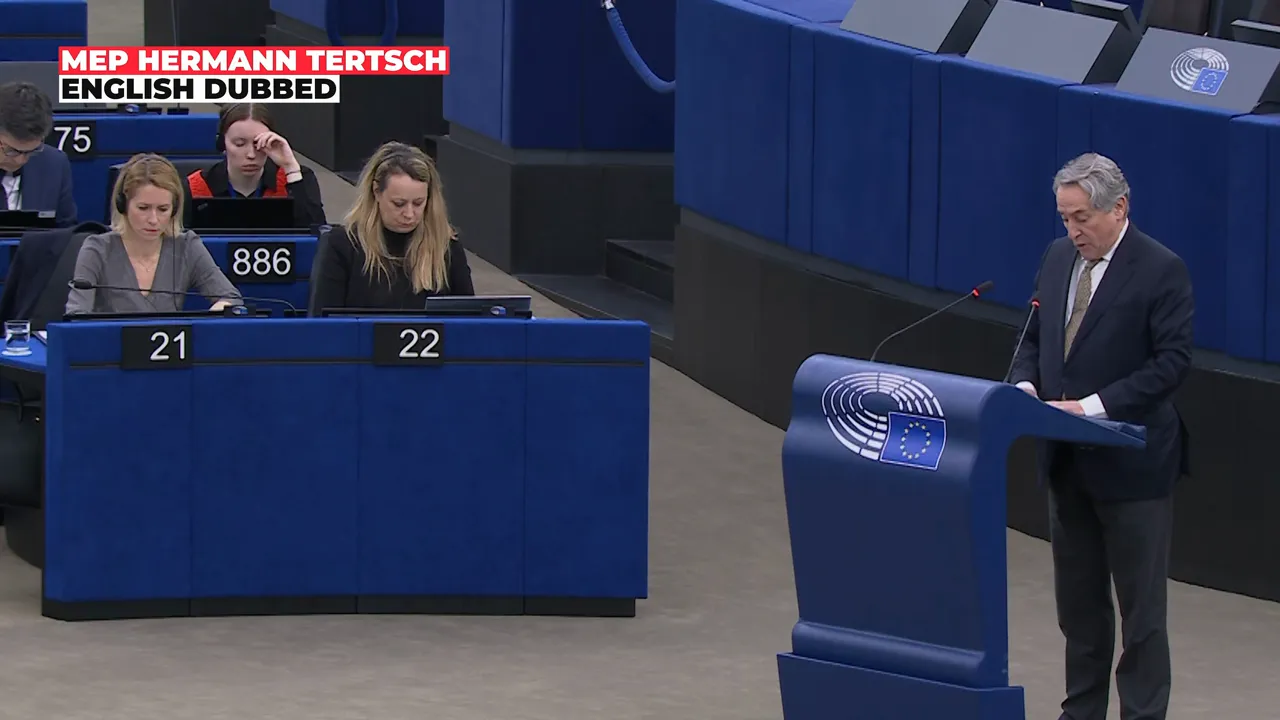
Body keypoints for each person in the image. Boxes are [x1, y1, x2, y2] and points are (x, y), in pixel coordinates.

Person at [1009, 153, 1194, 720]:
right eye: (1065, 218)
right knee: (1080, 611)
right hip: (1067, 467)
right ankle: (1081, 712)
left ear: (1119, 207)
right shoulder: (1058, 256)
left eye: (1082, 217)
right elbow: (1036, 335)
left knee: (1140, 615)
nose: (1073, 230)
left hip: (1133, 470)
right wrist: (1021, 384)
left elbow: (1172, 364)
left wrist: (1091, 407)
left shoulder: (1161, 268)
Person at [308, 142, 474, 315]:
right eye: (399, 204)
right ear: (376, 192)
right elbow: (321, 323)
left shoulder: (447, 246)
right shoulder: (342, 245)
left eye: (418, 203)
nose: (409, 214)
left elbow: (468, 321)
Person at [66, 153, 243, 315]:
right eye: (143, 208)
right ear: (123, 205)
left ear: (174, 210)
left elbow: (231, 298)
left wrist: (216, 313)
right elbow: (76, 314)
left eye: (163, 209)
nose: (153, 219)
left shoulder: (187, 246)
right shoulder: (97, 249)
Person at [182, 103, 326, 228]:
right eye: (239, 144)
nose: (251, 154)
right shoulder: (194, 187)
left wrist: (290, 167)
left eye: (259, 144)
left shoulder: (298, 178)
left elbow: (318, 237)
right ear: (222, 144)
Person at [0, 81, 77, 226]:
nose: (21, 160)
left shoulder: (54, 164)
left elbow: (66, 233)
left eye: (31, 151)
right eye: (11, 151)